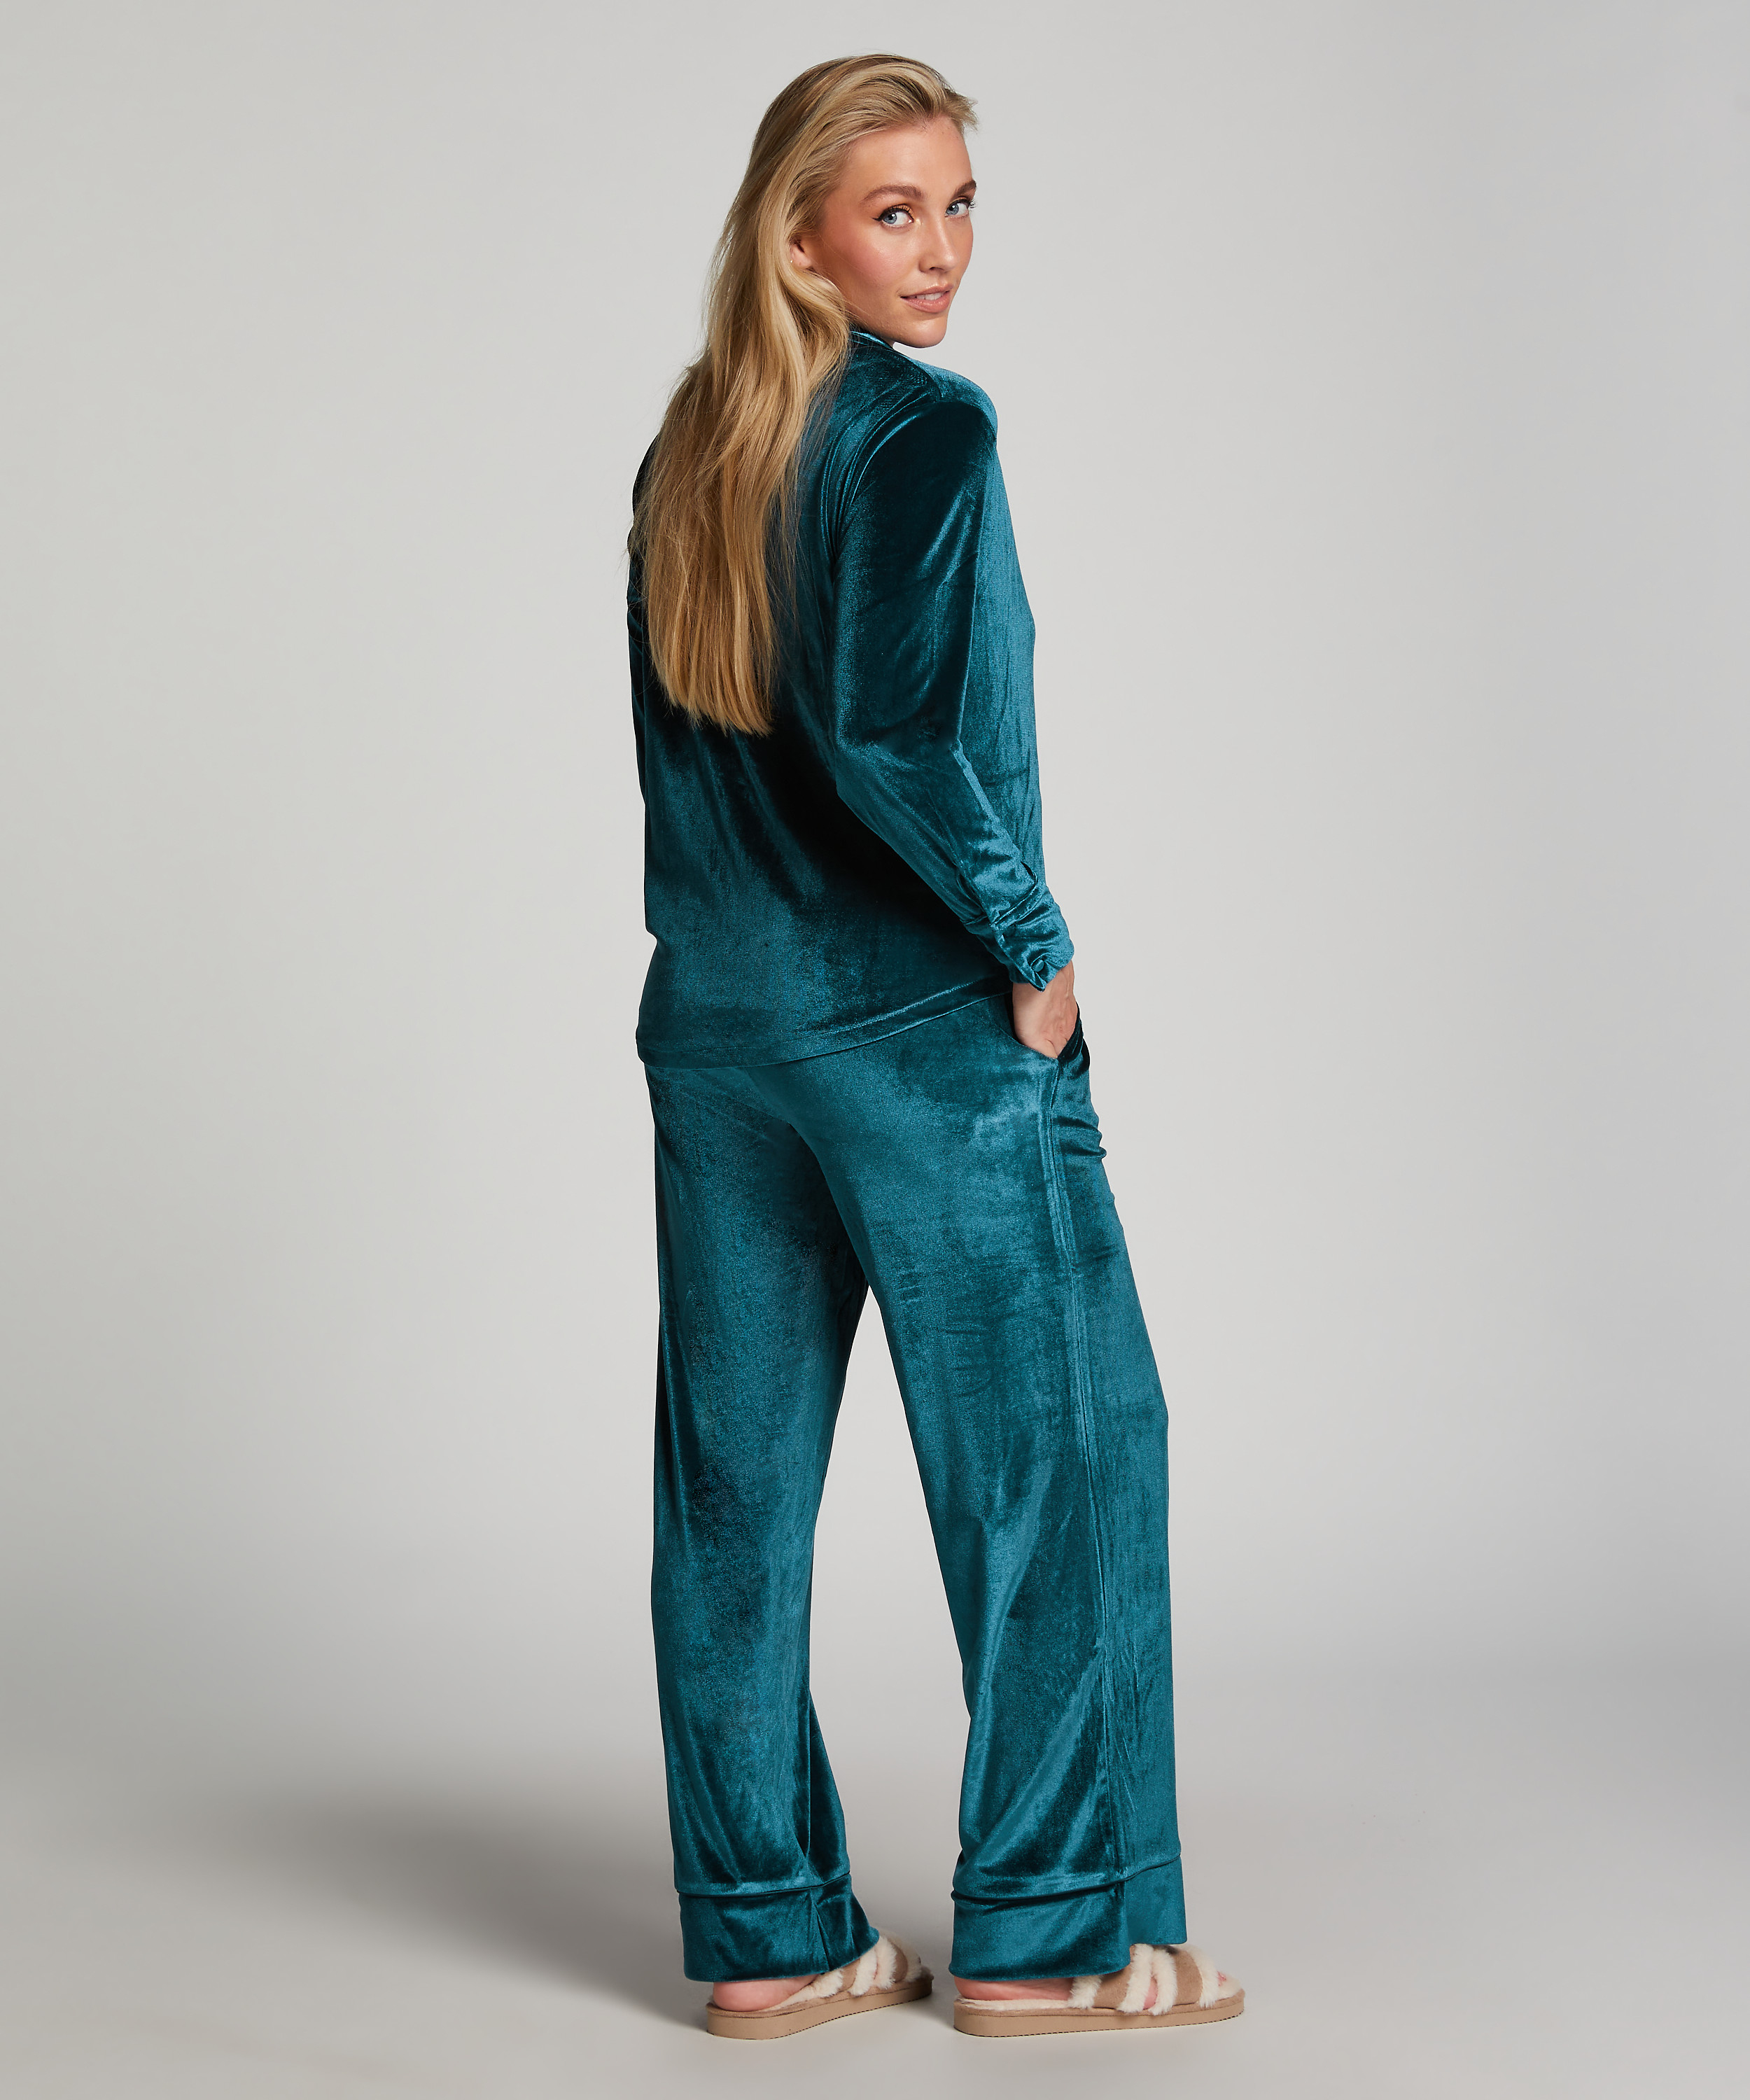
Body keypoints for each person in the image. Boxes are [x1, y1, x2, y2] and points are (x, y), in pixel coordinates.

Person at [625, 53, 1243, 2042]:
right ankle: (1051, 1936)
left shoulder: (691, 448)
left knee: (734, 1500)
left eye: (961, 204)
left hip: (720, 1033)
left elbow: (693, 767)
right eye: (895, 211)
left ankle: (768, 1932)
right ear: (799, 236)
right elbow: (892, 731)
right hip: (910, 1031)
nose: (943, 250)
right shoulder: (918, 431)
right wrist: (1032, 945)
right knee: (1060, 1460)